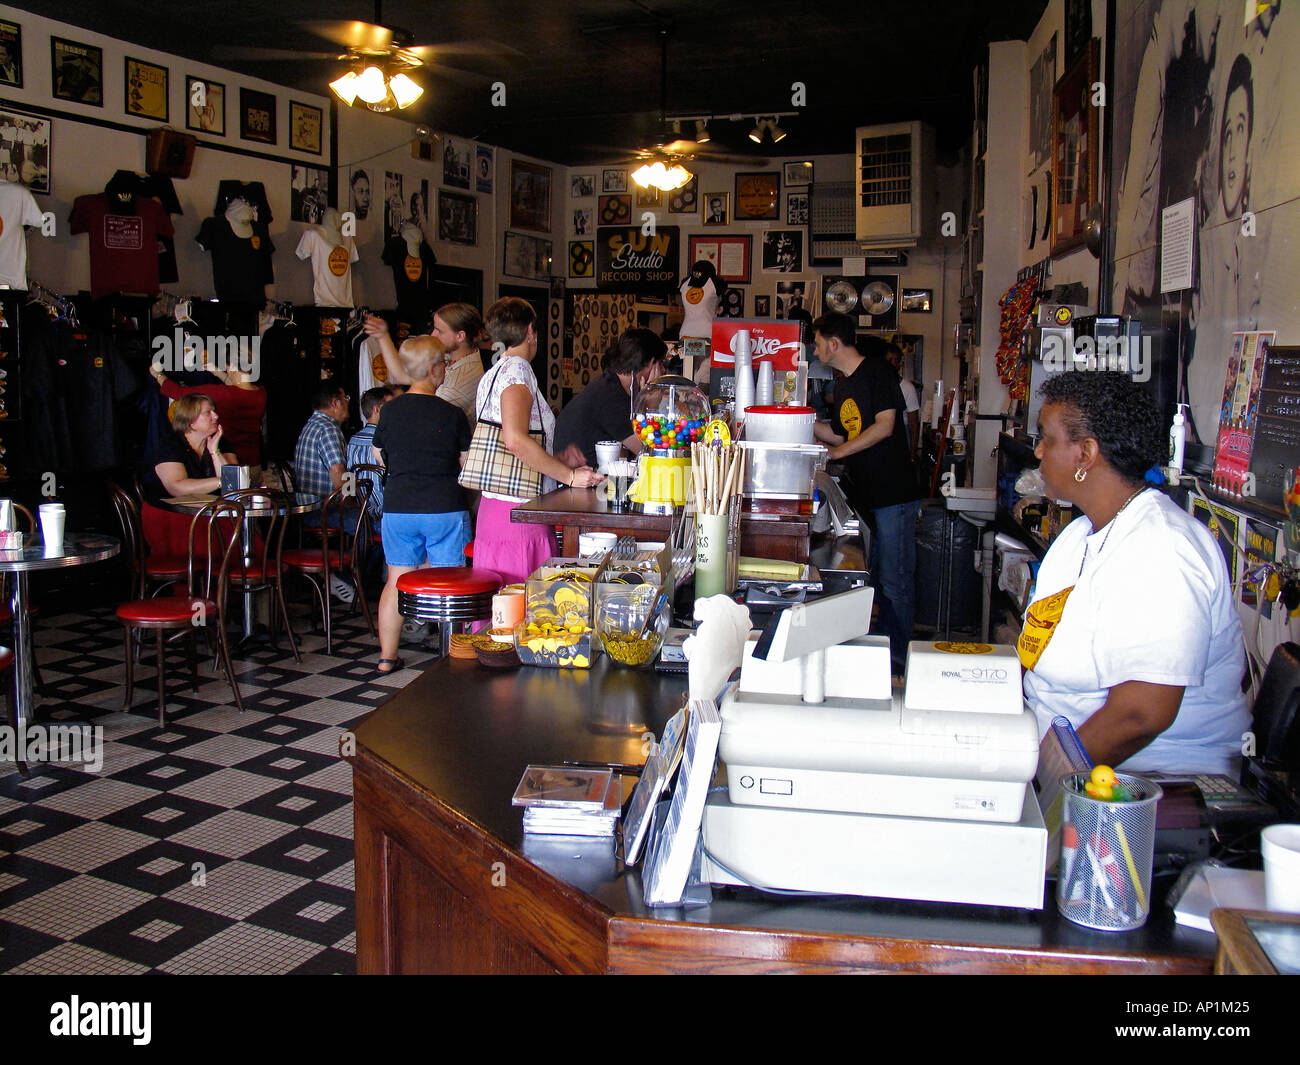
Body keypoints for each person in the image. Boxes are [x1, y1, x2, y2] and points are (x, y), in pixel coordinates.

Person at [1021, 371, 1249, 775]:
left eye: (1048, 439)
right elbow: (1035, 648)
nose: (1038, 452)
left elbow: (1140, 715)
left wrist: (1044, 786)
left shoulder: (1160, 549)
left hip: (1146, 787)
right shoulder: (1079, 535)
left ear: (1085, 454)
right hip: (1046, 751)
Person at [812, 314, 919, 672]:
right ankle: (882, 653)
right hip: (868, 495)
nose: (815, 349)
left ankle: (900, 660)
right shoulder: (843, 386)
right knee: (877, 576)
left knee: (895, 579)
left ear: (833, 343)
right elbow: (843, 435)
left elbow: (885, 426)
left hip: (894, 493)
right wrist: (799, 420)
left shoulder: (877, 372)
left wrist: (838, 454)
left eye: (817, 342)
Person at [471, 297, 602, 585]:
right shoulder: (517, 370)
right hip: (519, 510)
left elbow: (512, 442)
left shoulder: (493, 373)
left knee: (503, 604)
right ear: (530, 331)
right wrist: (568, 475)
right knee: (524, 602)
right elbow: (515, 440)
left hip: (496, 507)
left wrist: (554, 461)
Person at [372, 336, 472, 673]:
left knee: (396, 580)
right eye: (444, 363)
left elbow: (378, 454)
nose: (446, 368)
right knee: (450, 582)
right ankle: (450, 655)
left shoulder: (389, 409)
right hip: (443, 506)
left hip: (398, 507)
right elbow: (466, 463)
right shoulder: (452, 413)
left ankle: (387, 657)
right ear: (433, 370)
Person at [140, 394, 238, 558]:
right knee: (213, 543)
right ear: (191, 420)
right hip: (171, 515)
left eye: (214, 411)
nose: (216, 416)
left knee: (240, 535)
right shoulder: (170, 444)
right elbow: (177, 487)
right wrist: (221, 482)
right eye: (208, 413)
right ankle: (206, 581)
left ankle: (230, 581)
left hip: (210, 515)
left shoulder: (220, 441)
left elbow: (235, 484)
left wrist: (215, 452)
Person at [553, 329, 666, 468]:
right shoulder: (610, 395)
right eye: (660, 364)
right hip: (583, 482)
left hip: (593, 476)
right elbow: (651, 451)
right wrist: (651, 404)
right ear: (651, 363)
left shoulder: (611, 384)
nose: (663, 370)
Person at [364, 302, 486, 423]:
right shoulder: (452, 356)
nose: (433, 334)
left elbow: (423, 419)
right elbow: (402, 374)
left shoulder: (459, 383)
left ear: (460, 336)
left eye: (439, 331)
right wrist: (382, 336)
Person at [150, 361, 268, 467]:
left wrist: (158, 375)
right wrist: (217, 372)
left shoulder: (220, 393)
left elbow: (179, 393)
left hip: (228, 461)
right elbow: (238, 388)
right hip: (253, 461)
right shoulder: (260, 392)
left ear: (231, 366)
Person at [347, 387, 394, 517]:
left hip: (362, 515)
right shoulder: (389, 441)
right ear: (377, 410)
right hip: (387, 515)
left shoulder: (352, 441)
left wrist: (354, 507)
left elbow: (349, 480)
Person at [882, 340, 921, 456]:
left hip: (902, 439)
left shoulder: (908, 388)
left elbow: (913, 424)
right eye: (889, 360)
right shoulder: (877, 386)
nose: (893, 364)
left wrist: (912, 454)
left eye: (897, 361)